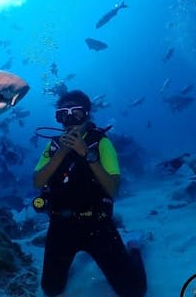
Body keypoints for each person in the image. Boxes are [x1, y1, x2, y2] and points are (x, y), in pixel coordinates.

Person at [33, 90, 147, 297]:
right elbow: (37, 182)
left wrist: (86, 153)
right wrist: (61, 154)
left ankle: (134, 247)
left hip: (98, 225)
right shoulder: (53, 146)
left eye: (75, 113)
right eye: (63, 114)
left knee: (134, 291)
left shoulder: (101, 143)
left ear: (87, 115)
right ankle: (68, 264)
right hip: (61, 226)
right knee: (51, 289)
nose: (69, 120)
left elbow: (113, 189)